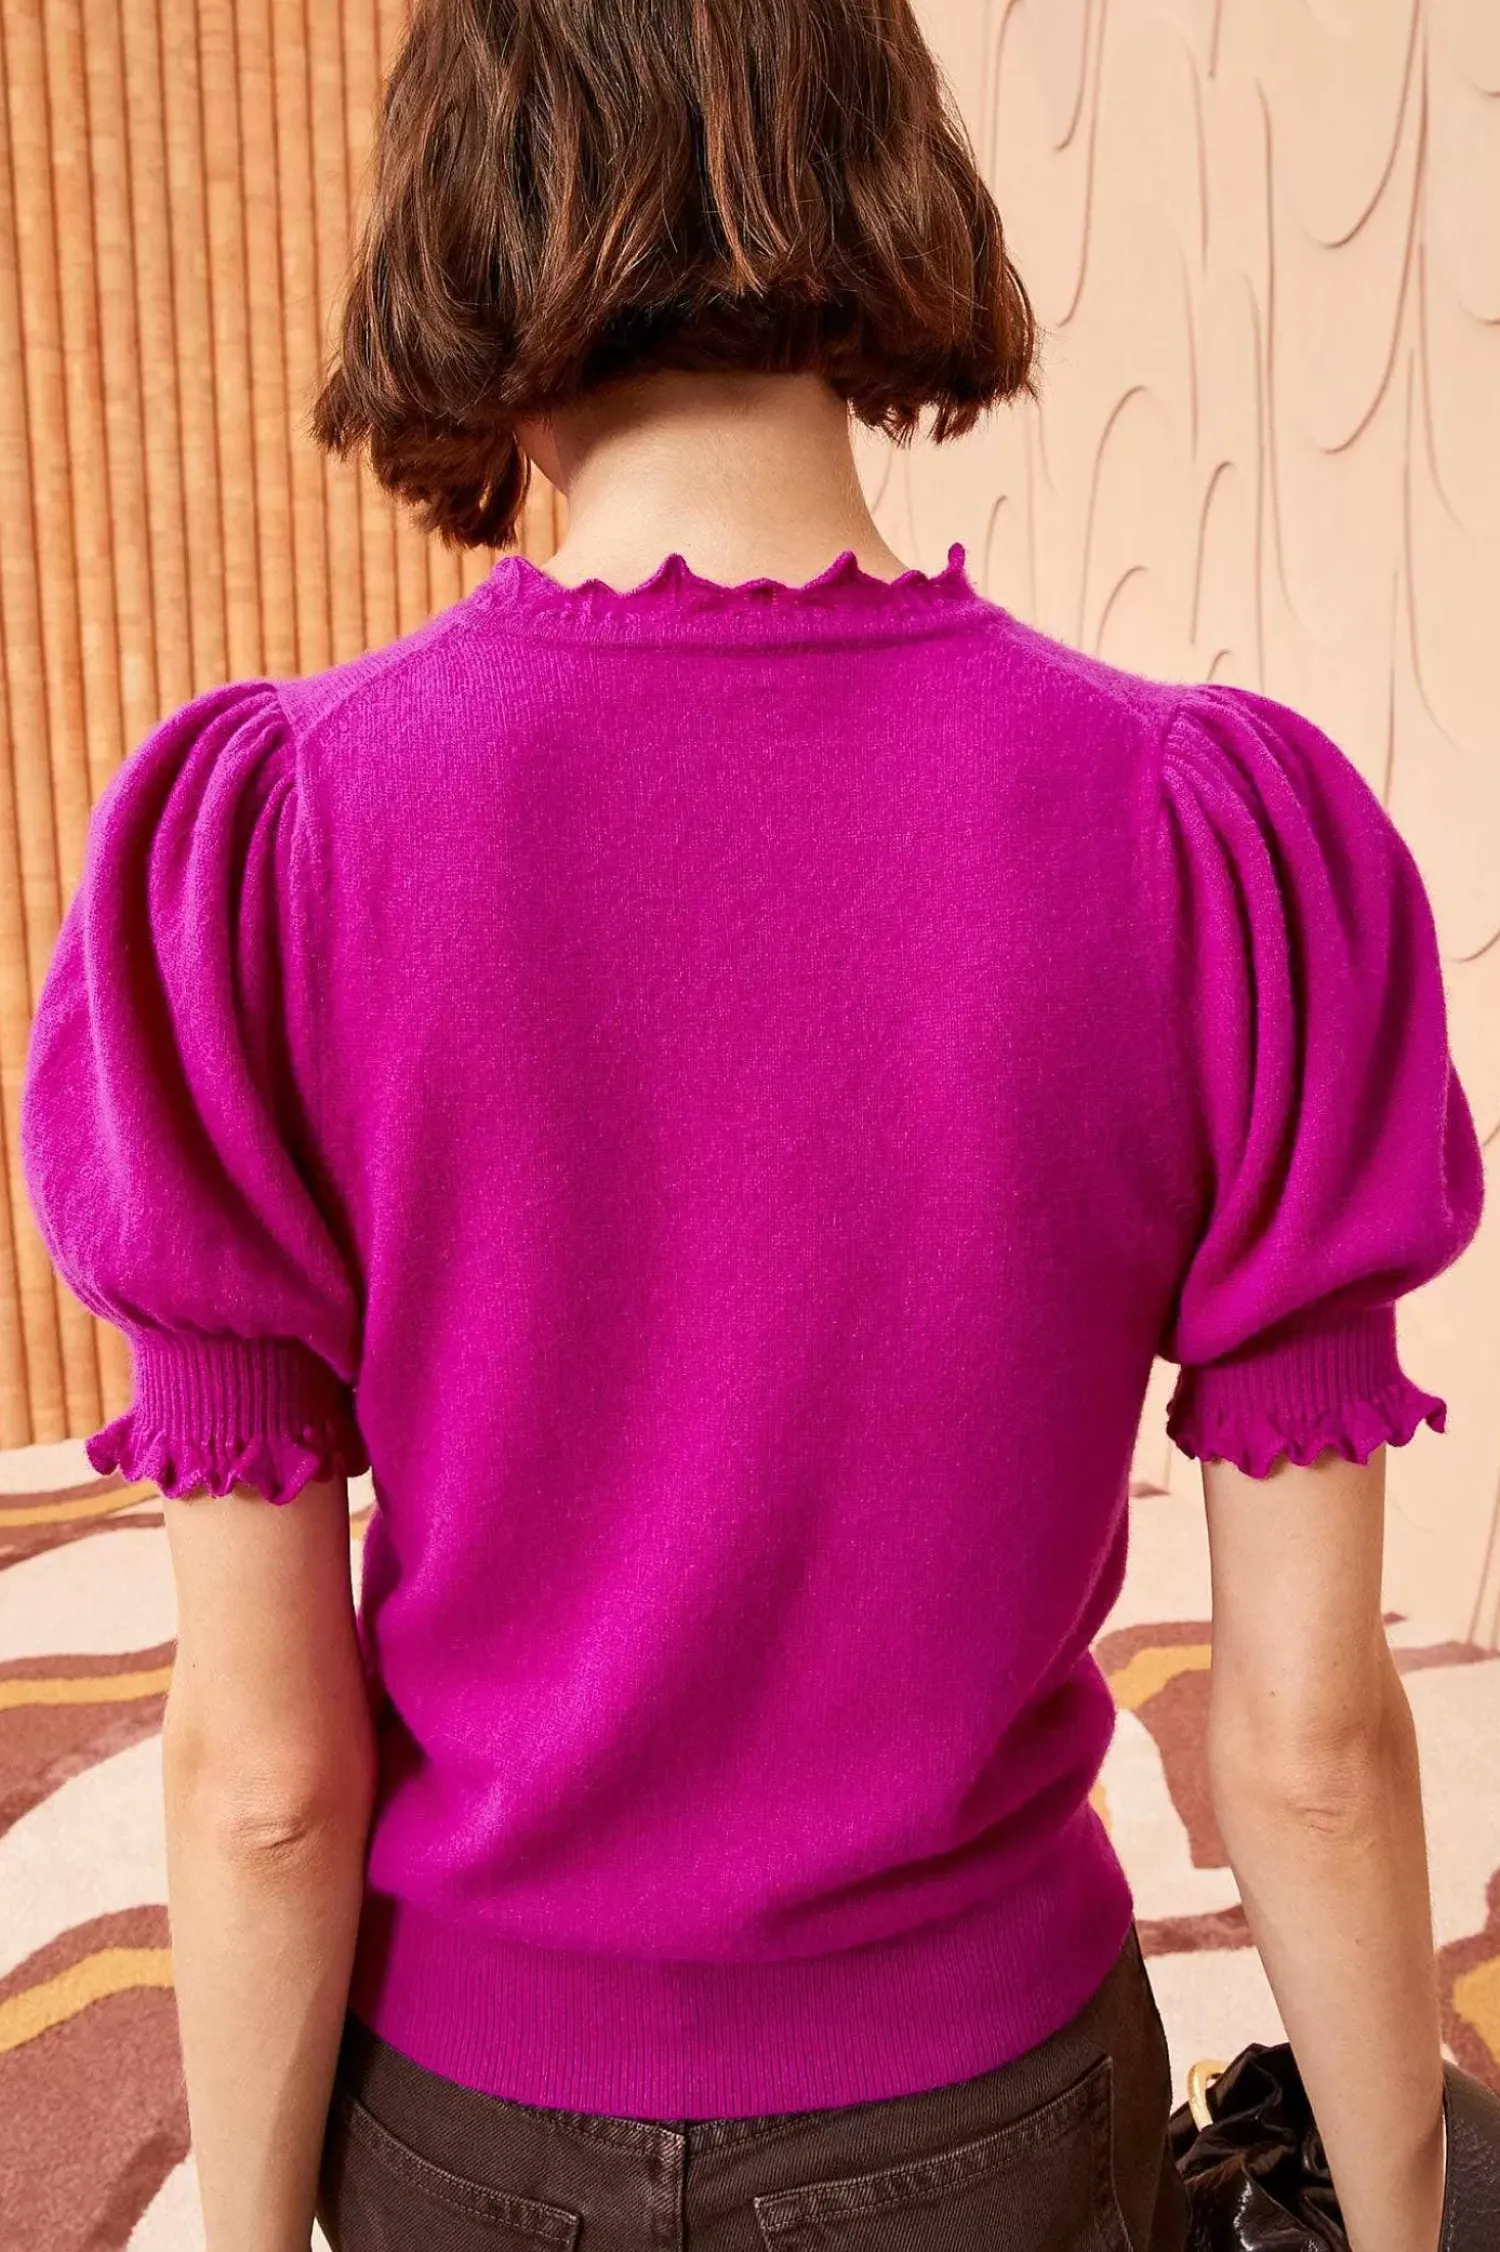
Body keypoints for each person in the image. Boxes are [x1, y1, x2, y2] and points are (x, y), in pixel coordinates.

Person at [17, 0, 1484, 2246]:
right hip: (988, 2106)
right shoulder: (1215, 846)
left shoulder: (269, 853)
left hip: (465, 2126)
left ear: (464, 221)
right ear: (884, 184)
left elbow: (266, 1784)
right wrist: (1402, 2209)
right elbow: (1308, 1748)